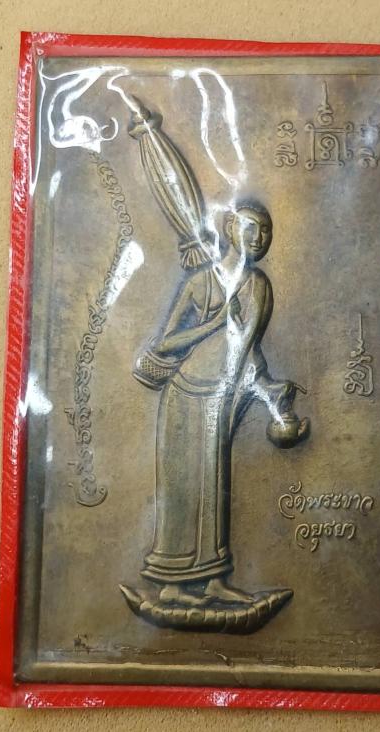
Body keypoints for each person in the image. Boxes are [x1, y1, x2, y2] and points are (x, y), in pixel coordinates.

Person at [135, 201, 309, 608]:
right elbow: (167, 342)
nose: (259, 238)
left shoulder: (258, 286)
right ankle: (172, 586)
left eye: (266, 231)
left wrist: (270, 393)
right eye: (251, 228)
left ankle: (213, 580)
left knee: (214, 488)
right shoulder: (202, 282)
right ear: (230, 228)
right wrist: (214, 324)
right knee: (182, 490)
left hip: (220, 397)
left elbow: (249, 349)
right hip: (185, 393)